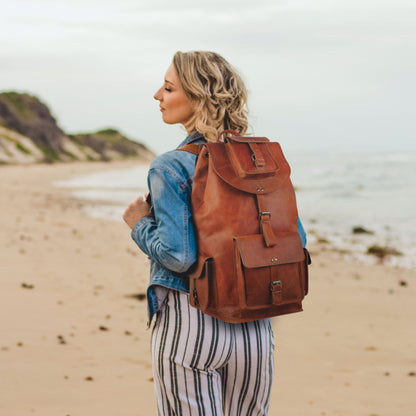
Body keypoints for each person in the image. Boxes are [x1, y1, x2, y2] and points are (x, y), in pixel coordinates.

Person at [123, 51, 307, 416]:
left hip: (189, 321)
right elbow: (294, 241)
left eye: (169, 87)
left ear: (196, 96)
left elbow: (179, 256)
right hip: (255, 324)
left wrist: (139, 224)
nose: (158, 95)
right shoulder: (261, 160)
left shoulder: (171, 165)